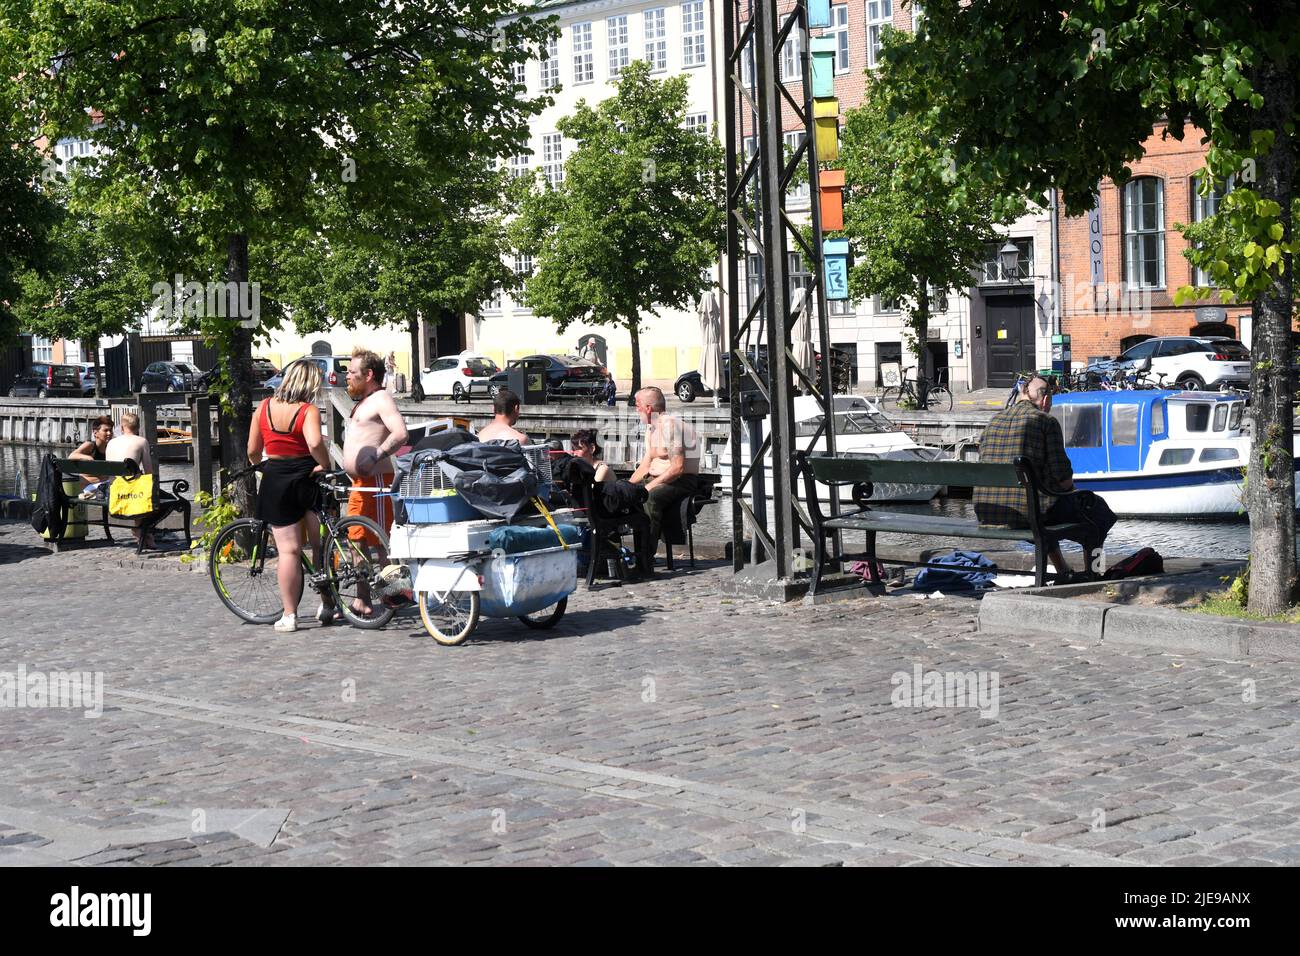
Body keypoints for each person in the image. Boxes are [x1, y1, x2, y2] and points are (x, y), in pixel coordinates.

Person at [974, 375, 1114, 581]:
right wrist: (1074, 495)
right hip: (1027, 514)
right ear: (1046, 400)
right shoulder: (1045, 421)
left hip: (988, 511)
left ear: (1022, 393)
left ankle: (1063, 570)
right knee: (1098, 512)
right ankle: (1094, 572)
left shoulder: (993, 421)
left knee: (1040, 508)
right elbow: (1063, 478)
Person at [247, 360, 335, 632]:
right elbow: (315, 443)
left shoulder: (262, 408)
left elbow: (252, 450)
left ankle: (289, 615)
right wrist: (325, 465)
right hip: (308, 475)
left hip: (277, 477)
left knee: (288, 550)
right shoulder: (307, 410)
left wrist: (261, 469)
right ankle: (328, 603)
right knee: (321, 544)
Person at [343, 347, 408, 617]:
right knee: (355, 540)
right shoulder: (364, 400)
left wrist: (378, 454)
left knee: (381, 543)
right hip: (361, 483)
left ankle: (393, 596)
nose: (347, 376)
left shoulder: (381, 399)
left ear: (369, 374)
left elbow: (401, 433)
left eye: (352, 372)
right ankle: (363, 599)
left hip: (377, 481)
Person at [628, 386, 710, 564]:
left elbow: (677, 467)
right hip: (659, 478)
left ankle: (645, 559)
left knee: (650, 498)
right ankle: (628, 553)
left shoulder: (670, 426)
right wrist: (627, 486)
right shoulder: (651, 429)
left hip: (682, 480)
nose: (636, 409)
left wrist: (649, 487)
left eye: (638, 405)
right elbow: (645, 465)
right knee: (623, 495)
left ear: (648, 408)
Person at [106, 412, 157, 549]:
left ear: (122, 428)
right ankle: (143, 531)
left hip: (115, 490)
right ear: (138, 427)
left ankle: (142, 533)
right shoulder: (141, 441)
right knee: (161, 499)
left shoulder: (111, 442)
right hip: (133, 493)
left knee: (137, 487)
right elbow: (149, 472)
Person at [68, 415, 114, 491]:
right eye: (105, 430)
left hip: (104, 486)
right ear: (95, 433)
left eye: (111, 430)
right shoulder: (90, 446)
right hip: (88, 489)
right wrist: (87, 457)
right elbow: (71, 456)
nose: (109, 433)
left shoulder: (110, 448)